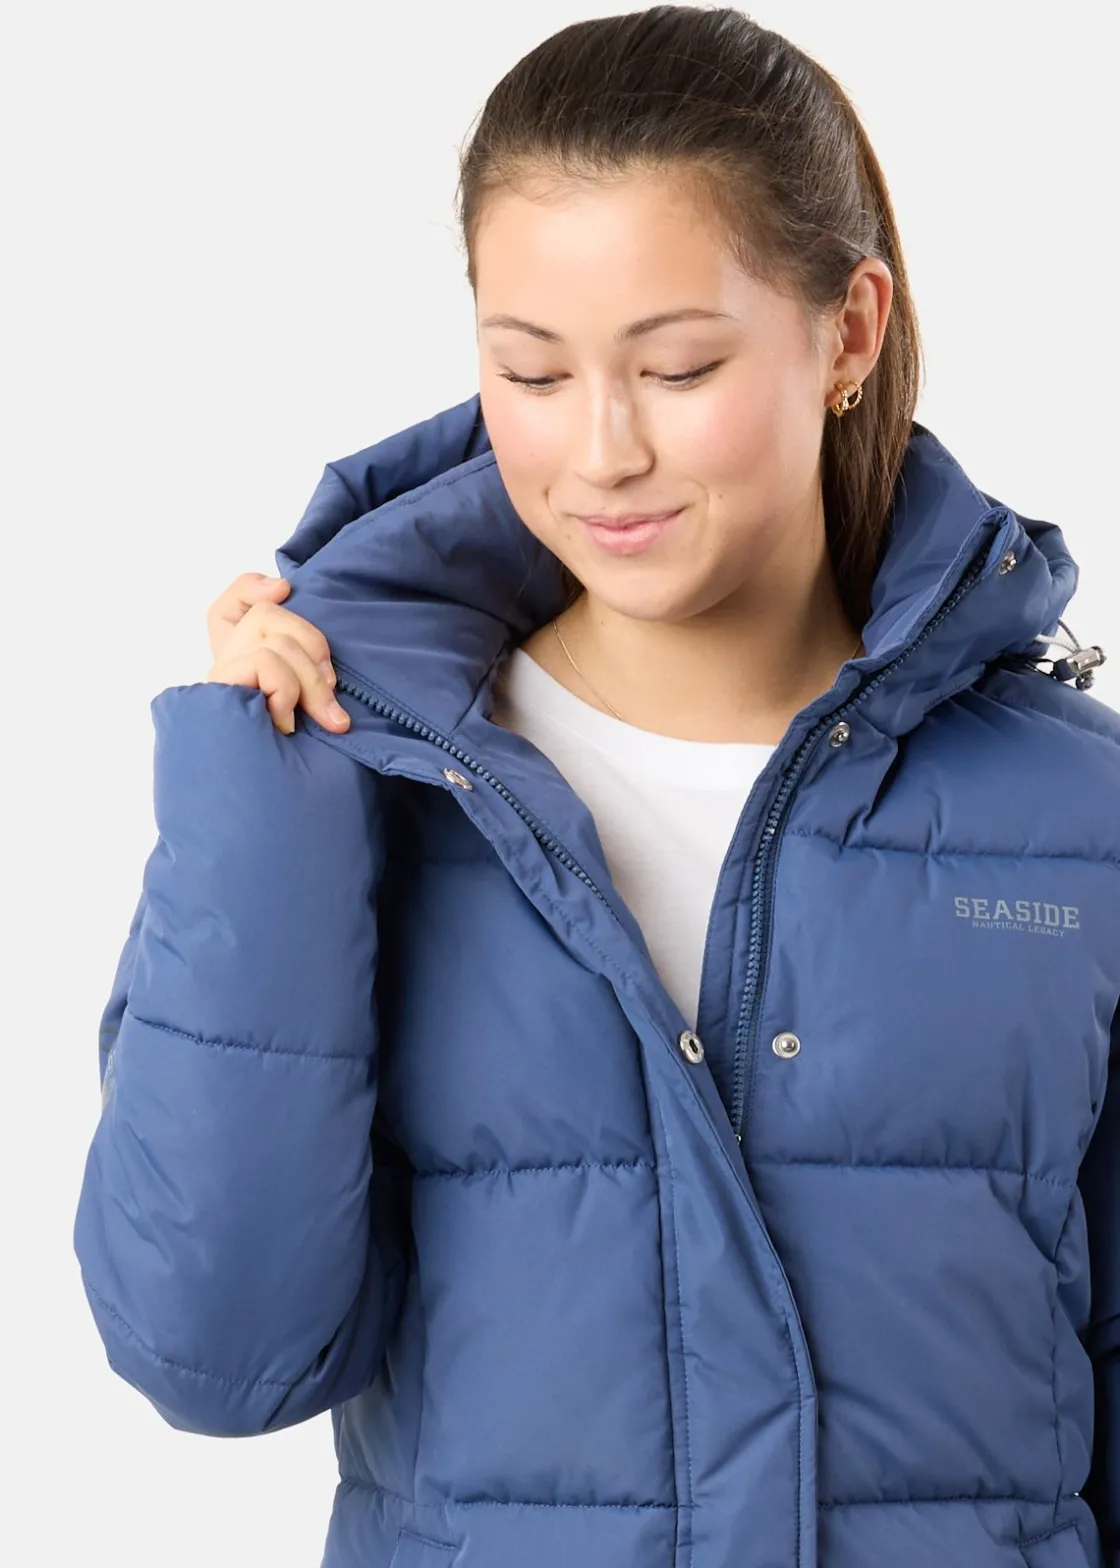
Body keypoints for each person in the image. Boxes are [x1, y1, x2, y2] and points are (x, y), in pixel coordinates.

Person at [73, 8, 1118, 1567]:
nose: (603, 450)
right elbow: (218, 1355)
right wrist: (260, 809)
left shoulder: (1080, 819)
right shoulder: (366, 789)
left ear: (848, 334)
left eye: (678, 367)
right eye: (532, 372)